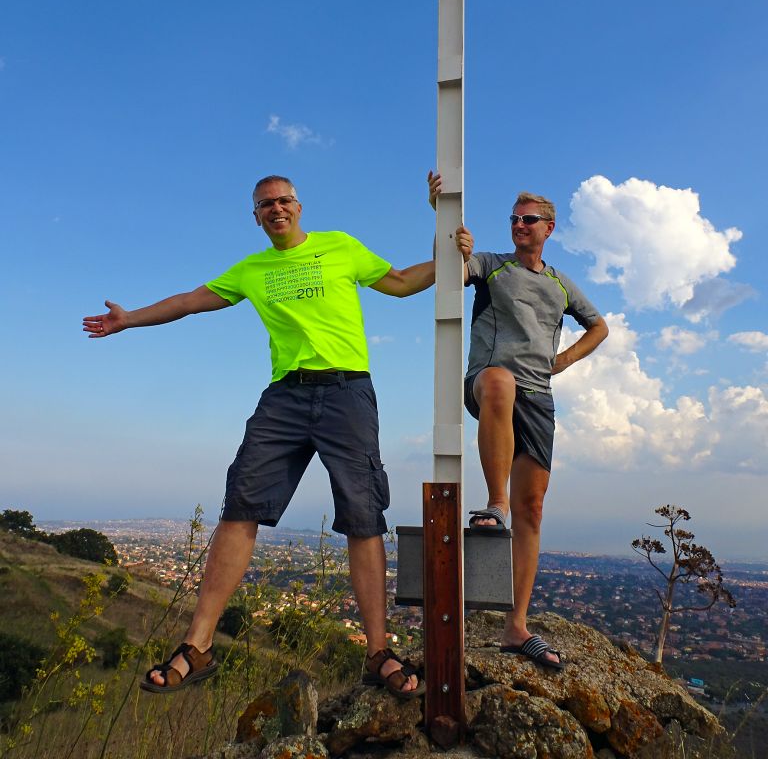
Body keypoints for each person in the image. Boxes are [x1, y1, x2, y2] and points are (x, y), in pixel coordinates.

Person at [84, 175, 467, 698]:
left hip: (347, 392)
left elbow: (402, 282)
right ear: (256, 216)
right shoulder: (252, 269)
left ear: (299, 206)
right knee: (240, 505)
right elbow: (189, 301)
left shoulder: (340, 246)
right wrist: (130, 319)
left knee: (363, 515)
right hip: (284, 396)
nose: (276, 208)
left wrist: (443, 231)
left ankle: (378, 651)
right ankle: (198, 647)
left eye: (284, 200)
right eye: (266, 204)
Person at [429, 172, 608, 670]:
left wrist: (565, 360)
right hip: (488, 384)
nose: (518, 225)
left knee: (533, 510)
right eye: (513, 219)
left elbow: (599, 326)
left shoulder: (559, 283)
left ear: (549, 227)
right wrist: (444, 223)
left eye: (528, 219)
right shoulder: (492, 265)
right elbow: (451, 270)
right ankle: (495, 502)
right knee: (500, 383)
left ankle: (516, 626)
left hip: (538, 397)